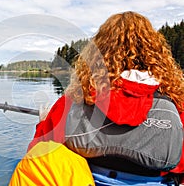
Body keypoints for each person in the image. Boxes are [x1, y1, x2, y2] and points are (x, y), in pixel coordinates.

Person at [11, 11, 184, 185]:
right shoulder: (176, 103)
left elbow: (38, 150)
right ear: (156, 53)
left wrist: (43, 123)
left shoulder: (76, 98)